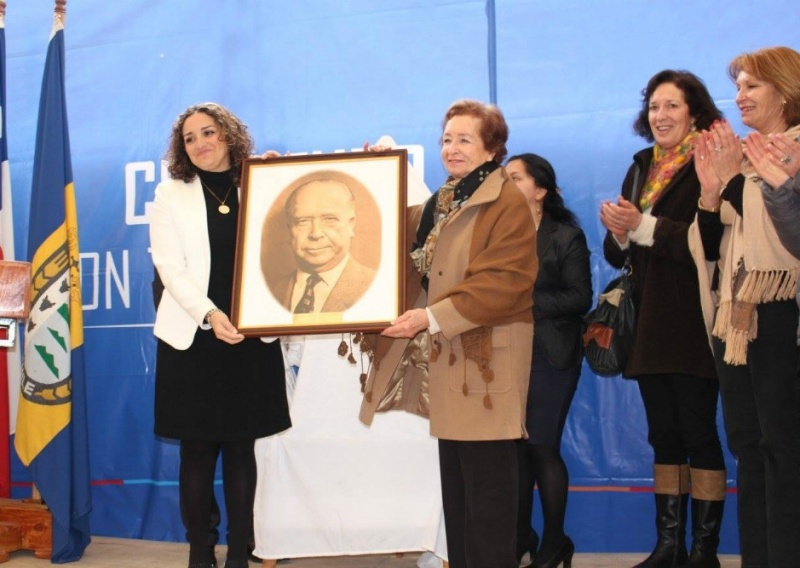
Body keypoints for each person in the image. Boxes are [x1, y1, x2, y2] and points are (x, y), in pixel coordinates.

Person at [359, 99, 538, 568]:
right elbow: (389, 229)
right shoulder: (444, 202)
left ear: (492, 148)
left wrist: (427, 318)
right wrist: (369, 177)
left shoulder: (505, 200)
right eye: (446, 139)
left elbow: (505, 280)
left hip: (486, 360)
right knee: (459, 494)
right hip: (451, 358)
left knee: (489, 497)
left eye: (464, 139)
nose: (451, 148)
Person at [150, 102, 291, 568]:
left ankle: (240, 550)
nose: (200, 143)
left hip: (251, 336)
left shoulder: (262, 182)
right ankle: (199, 550)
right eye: (189, 138)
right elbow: (170, 268)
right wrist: (210, 315)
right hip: (195, 335)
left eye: (208, 132)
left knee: (241, 447)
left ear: (228, 134)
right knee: (196, 449)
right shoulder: (170, 195)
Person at [600, 70, 726, 568]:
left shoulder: (710, 161)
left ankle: (704, 552)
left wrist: (644, 227)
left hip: (694, 319)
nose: (661, 116)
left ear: (694, 112)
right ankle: (669, 546)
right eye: (654, 106)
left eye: (672, 106)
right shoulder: (640, 166)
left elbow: (711, 241)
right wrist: (621, 233)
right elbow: (618, 255)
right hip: (648, 321)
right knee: (664, 437)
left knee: (698, 433)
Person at [692, 46, 800, 567]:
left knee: (785, 452)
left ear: (785, 89)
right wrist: (712, 195)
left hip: (781, 316)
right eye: (738, 87)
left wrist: (740, 181)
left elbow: (785, 237)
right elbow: (714, 247)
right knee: (749, 449)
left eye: (752, 86)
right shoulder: (748, 156)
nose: (740, 97)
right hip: (735, 319)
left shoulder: (791, 152)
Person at [505, 154, 592, 568]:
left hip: (551, 354)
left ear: (540, 190)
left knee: (541, 447)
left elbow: (579, 299)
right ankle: (523, 536)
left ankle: (555, 542)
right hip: (508, 355)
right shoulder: (500, 235)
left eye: (515, 178)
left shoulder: (565, 236)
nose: (507, 183)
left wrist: (523, 301)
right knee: (516, 451)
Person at [270, 173, 377, 313]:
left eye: (329, 219)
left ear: (351, 224)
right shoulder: (273, 291)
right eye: (303, 221)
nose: (315, 234)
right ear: (290, 229)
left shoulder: (377, 287)